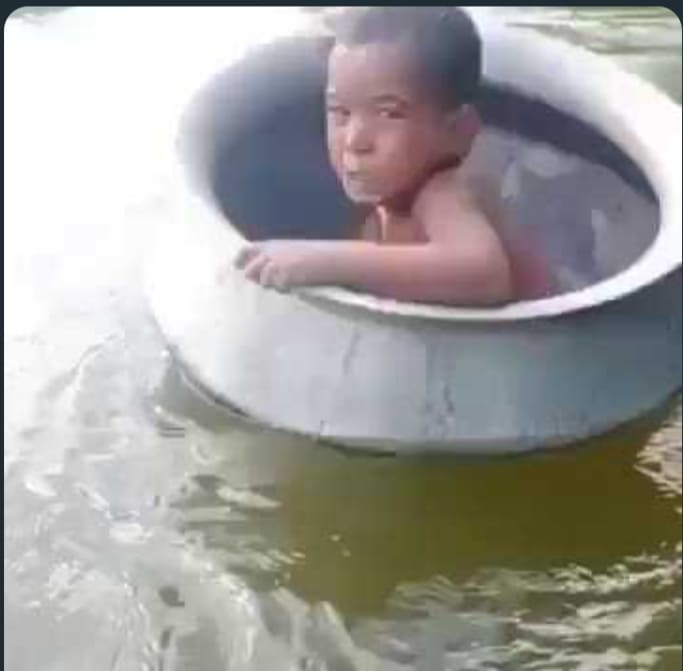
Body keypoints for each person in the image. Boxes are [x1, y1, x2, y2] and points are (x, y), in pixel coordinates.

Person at [234, 7, 519, 306]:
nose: (355, 140)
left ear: (458, 130)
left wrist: (321, 261)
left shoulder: (444, 192)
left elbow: (485, 276)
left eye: (389, 113)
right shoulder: (394, 189)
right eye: (340, 112)